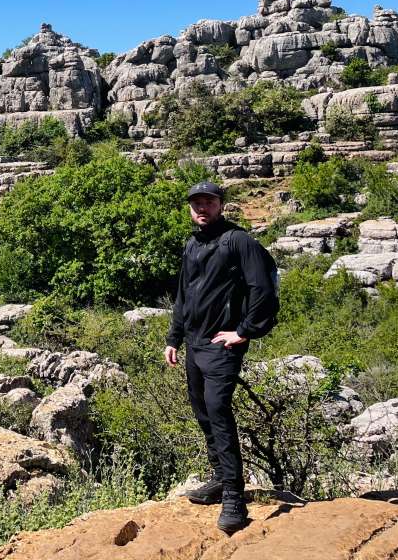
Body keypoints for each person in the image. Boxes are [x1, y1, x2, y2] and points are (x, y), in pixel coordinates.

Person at [164, 181, 279, 534]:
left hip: (221, 344)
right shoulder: (192, 244)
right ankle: (219, 477)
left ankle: (233, 496)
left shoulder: (238, 241)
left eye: (208, 202)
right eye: (196, 203)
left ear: (220, 205)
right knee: (201, 408)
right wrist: (174, 337)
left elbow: (264, 287)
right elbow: (184, 294)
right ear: (190, 208)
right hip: (195, 343)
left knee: (218, 410)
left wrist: (243, 331)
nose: (202, 208)